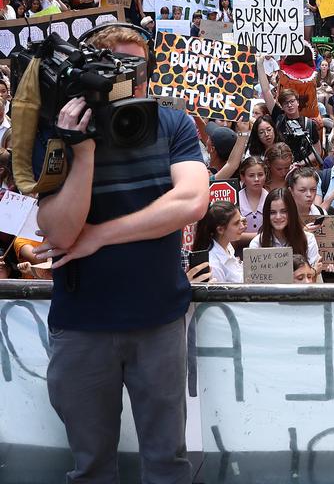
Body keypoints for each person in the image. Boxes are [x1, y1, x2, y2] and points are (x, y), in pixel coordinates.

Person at [34, 25, 208, 483]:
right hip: (83, 325)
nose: (131, 82)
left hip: (160, 322)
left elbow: (191, 202)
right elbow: (59, 230)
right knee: (90, 467)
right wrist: (83, 154)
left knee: (168, 463)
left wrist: (101, 236)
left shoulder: (172, 123)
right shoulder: (57, 131)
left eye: (139, 71)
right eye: (116, 71)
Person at [251, 188, 321, 270]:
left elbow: (312, 278)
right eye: (272, 212)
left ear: (292, 212)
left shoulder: (308, 239)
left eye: (283, 211)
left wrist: (313, 272)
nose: (278, 217)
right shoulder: (257, 243)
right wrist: (313, 271)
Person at [193, 201, 245, 283]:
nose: (242, 226)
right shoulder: (214, 265)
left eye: (241, 221)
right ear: (220, 229)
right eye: (236, 223)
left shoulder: (228, 246)